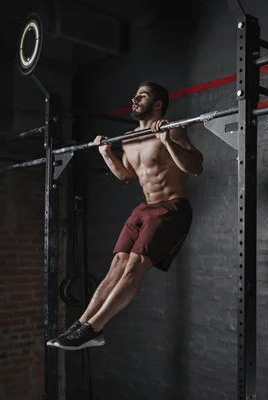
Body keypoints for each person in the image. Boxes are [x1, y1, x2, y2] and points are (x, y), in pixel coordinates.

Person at [47, 81, 203, 350]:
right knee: (118, 262)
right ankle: (85, 325)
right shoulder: (128, 139)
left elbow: (196, 166)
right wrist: (106, 154)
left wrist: (167, 141)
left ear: (157, 104)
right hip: (145, 207)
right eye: (135, 95)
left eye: (142, 96)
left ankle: (95, 327)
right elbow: (128, 176)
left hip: (172, 207)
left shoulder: (170, 129)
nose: (134, 99)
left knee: (134, 265)